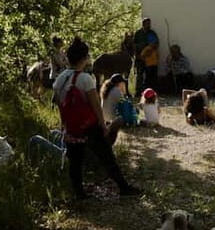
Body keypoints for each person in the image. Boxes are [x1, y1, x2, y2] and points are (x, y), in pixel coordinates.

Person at [53, 38, 142, 199]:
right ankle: (123, 187)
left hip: (71, 126)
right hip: (89, 126)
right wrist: (103, 126)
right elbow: (95, 105)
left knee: (75, 161)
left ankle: (79, 193)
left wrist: (64, 125)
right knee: (107, 157)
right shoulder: (85, 79)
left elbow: (60, 105)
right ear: (84, 58)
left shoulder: (60, 79)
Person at [99, 73, 129, 143]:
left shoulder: (106, 89)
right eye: (122, 82)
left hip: (104, 118)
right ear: (119, 83)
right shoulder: (116, 90)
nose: (123, 84)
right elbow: (124, 104)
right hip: (112, 119)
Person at [133, 18, 159, 92]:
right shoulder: (138, 34)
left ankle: (150, 91)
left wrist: (149, 51)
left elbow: (156, 44)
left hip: (150, 58)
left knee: (149, 76)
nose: (149, 25)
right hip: (139, 58)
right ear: (143, 24)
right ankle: (138, 91)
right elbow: (134, 46)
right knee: (139, 75)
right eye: (147, 24)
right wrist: (137, 55)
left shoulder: (152, 33)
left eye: (149, 24)